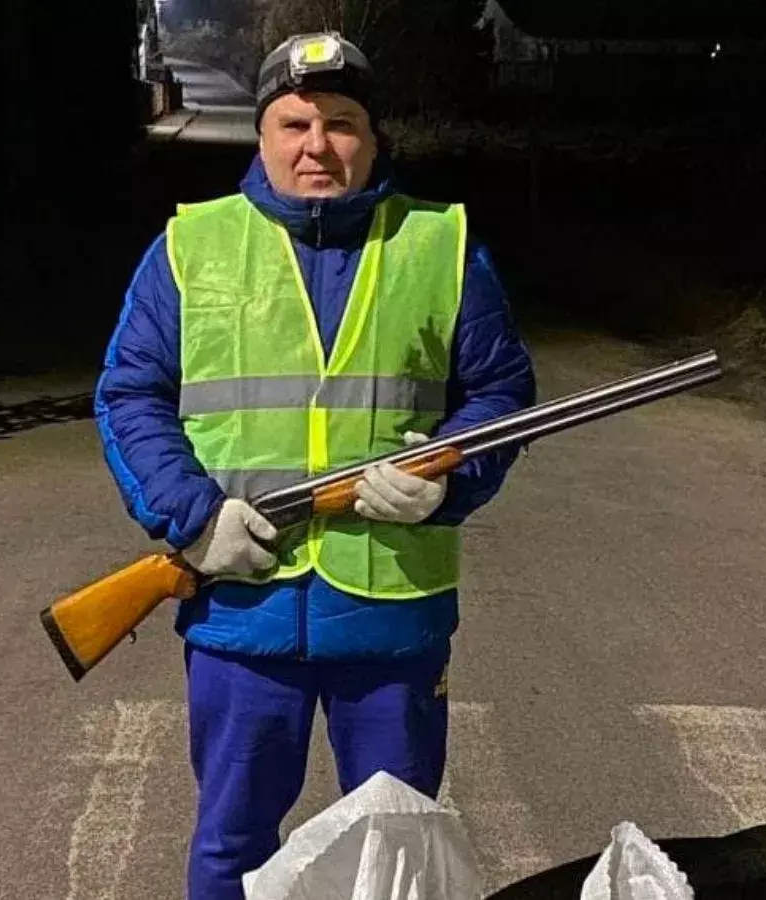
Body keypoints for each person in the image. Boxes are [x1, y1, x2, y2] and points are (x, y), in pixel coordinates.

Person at [94, 31, 536, 900]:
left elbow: (501, 393)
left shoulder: (442, 244)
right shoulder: (190, 246)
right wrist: (195, 519)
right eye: (295, 124)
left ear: (373, 138)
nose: (317, 146)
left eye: (341, 123)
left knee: (395, 849)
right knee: (232, 844)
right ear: (262, 135)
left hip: (392, 615)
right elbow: (130, 394)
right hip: (242, 609)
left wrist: (445, 483)